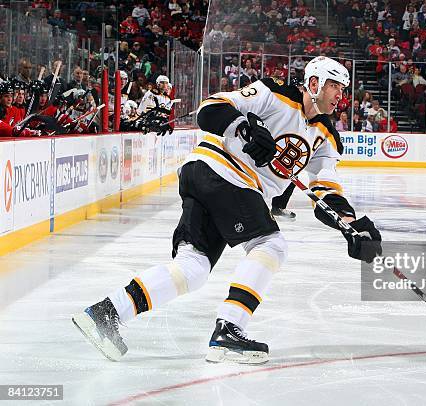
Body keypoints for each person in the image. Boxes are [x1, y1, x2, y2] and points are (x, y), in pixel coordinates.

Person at [72, 56, 382, 364]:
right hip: (222, 170)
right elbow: (211, 108)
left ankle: (106, 312)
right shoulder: (274, 93)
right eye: (334, 86)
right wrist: (245, 128)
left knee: (191, 269)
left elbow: (326, 190)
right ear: (313, 83)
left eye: (343, 88)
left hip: (214, 180)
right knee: (271, 245)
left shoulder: (326, 137)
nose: (341, 94)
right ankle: (230, 328)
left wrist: (351, 225)